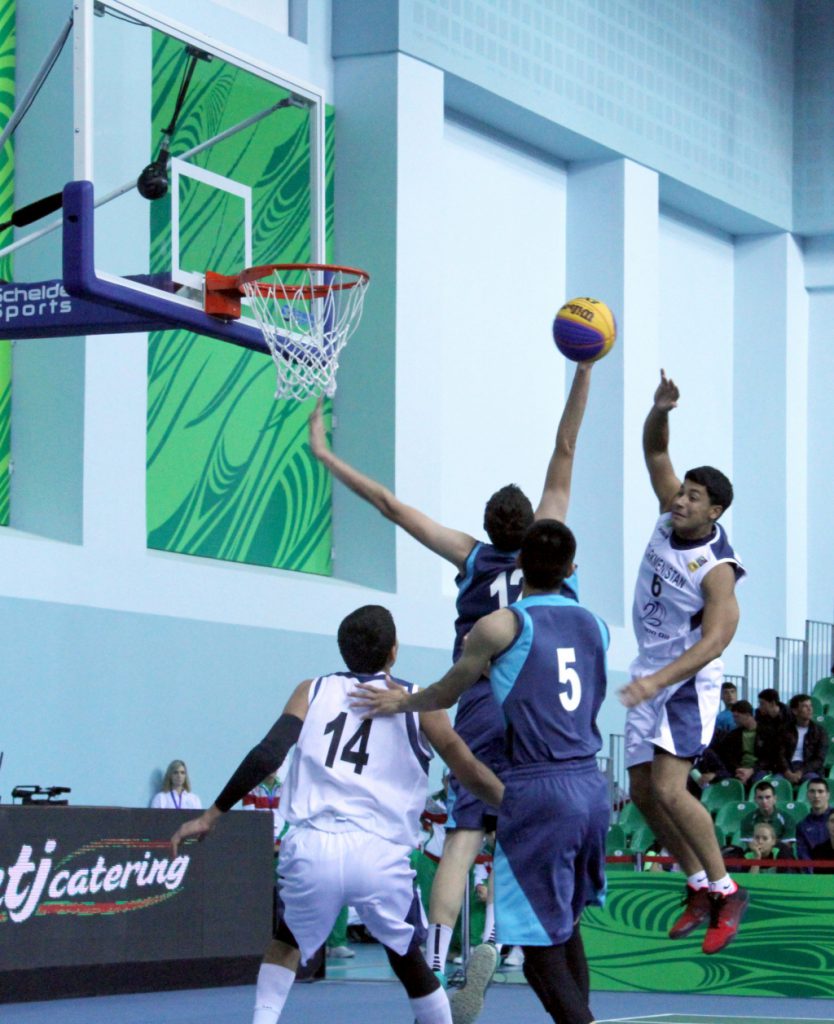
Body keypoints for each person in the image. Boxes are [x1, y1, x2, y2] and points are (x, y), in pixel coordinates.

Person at [309, 360, 595, 983]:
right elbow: (565, 447)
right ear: (535, 528)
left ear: (490, 527)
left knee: (463, 835)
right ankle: (508, 938)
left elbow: (388, 505)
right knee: (532, 818)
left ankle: (436, 962)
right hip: (536, 699)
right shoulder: (548, 553)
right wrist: (586, 368)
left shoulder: (469, 556)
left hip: (476, 698)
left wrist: (326, 454)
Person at [170, 604, 504, 1024]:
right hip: (380, 853)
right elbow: (466, 768)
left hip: (312, 845)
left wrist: (212, 814)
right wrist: (513, 804)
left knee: (285, 944)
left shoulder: (311, 690)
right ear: (394, 651)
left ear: (342, 651)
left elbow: (268, 753)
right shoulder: (420, 701)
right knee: (408, 959)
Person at [351, 520, 609, 1024]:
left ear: (517, 565)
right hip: (592, 786)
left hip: (538, 787)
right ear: (573, 571)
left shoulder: (498, 627)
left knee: (536, 952)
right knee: (566, 925)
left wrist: (402, 701)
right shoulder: (595, 625)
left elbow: (446, 694)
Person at [618, 370, 748, 956]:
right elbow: (655, 448)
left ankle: (726, 890)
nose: (680, 497)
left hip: (685, 682)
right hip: (650, 670)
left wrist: (658, 682)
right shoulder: (670, 513)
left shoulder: (718, 570)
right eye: (682, 490)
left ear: (714, 510)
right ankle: (696, 883)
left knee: (671, 790)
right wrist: (659, 408)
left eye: (694, 495)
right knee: (641, 791)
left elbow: (714, 642)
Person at [706, 700, 784, 790]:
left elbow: (769, 758)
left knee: (757, 783)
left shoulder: (767, 733)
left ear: (747, 715)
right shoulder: (733, 735)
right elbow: (729, 757)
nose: (734, 720)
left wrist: (752, 770)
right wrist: (740, 770)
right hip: (739, 769)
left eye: (737, 717)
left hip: (760, 769)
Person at [782, 694, 829, 788]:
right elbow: (779, 754)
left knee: (815, 785)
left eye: (810, 706)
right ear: (795, 711)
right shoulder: (784, 730)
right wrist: (787, 772)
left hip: (808, 769)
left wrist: (801, 772)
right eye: (804, 706)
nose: (809, 709)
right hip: (787, 768)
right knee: (774, 784)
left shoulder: (819, 732)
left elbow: (819, 759)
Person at [794, 778, 832, 867]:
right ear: (807, 795)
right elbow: (804, 856)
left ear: (828, 795)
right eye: (812, 791)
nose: (816, 796)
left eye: (820, 791)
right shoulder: (802, 826)